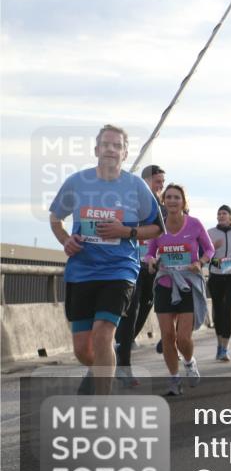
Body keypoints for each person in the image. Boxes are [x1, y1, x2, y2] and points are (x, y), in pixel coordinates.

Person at [49, 125, 162, 394]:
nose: (111, 149)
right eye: (106, 144)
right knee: (82, 350)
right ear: (96, 149)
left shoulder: (135, 186)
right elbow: (56, 218)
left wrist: (126, 232)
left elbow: (157, 228)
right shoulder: (77, 182)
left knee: (103, 334)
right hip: (82, 271)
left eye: (117, 145)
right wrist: (66, 239)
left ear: (124, 153)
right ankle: (102, 368)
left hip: (120, 270)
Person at [145, 183, 214, 396]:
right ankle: (174, 378)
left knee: (183, 338)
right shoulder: (158, 227)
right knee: (167, 336)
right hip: (165, 283)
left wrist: (200, 262)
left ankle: (189, 361)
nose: (173, 201)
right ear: (164, 201)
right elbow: (150, 252)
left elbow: (210, 249)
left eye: (177, 197)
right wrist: (150, 261)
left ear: (184, 202)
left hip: (188, 284)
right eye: (169, 197)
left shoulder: (194, 224)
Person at [114, 163, 166, 385]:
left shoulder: (162, 210)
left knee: (144, 310)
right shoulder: (128, 203)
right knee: (130, 313)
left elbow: (167, 237)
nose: (160, 187)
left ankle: (117, 351)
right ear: (144, 181)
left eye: (163, 183)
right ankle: (122, 365)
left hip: (152, 269)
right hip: (130, 266)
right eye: (157, 182)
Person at [206, 204, 231, 362]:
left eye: (224, 213)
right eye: (219, 213)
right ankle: (219, 344)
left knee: (228, 309)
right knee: (218, 309)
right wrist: (212, 247)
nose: (221, 216)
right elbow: (202, 253)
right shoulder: (210, 233)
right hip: (216, 275)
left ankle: (225, 348)